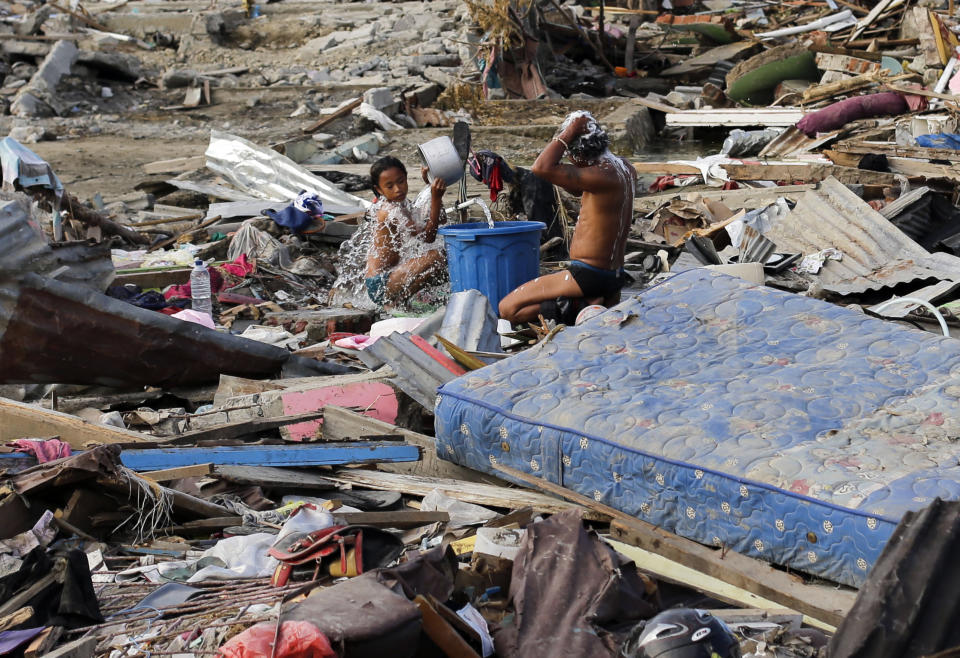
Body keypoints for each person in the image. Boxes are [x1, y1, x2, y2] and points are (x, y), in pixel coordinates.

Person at [498, 111, 637, 325]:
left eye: (570, 157)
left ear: (579, 155)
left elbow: (540, 167)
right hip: (614, 275)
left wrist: (567, 132)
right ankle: (586, 302)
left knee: (507, 309)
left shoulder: (600, 176)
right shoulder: (624, 168)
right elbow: (575, 189)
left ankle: (581, 306)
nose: (569, 161)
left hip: (589, 275)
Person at [364, 156, 447, 307]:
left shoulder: (402, 204)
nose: (398, 189)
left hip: (393, 275)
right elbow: (428, 237)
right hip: (380, 283)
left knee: (448, 262)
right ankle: (397, 303)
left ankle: (406, 298)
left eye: (401, 181)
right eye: (390, 186)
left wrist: (430, 186)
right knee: (439, 256)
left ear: (406, 178)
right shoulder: (389, 210)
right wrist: (435, 198)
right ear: (379, 189)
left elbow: (441, 220)